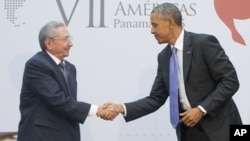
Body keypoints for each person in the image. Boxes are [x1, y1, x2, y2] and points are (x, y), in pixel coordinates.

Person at [101, 3, 242, 141]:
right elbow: (155, 99)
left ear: (170, 22)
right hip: (189, 132)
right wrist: (120, 107)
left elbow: (230, 81)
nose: (151, 31)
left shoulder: (203, 43)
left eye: (154, 25)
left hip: (223, 128)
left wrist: (201, 109)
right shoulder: (164, 57)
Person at [17, 21, 116, 141]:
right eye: (65, 39)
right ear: (49, 43)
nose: (71, 43)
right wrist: (97, 110)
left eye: (70, 38)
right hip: (42, 136)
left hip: (68, 134)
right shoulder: (37, 65)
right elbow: (57, 100)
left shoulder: (70, 68)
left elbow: (70, 102)